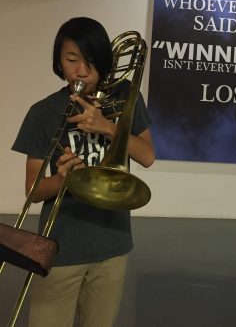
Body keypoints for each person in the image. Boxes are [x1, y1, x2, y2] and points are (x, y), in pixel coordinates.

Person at [12, 17, 155, 327]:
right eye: (71, 59)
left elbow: (147, 156)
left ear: (104, 60)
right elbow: (33, 191)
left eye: (91, 61)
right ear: (58, 62)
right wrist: (63, 179)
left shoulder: (125, 96)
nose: (81, 71)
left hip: (113, 246)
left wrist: (107, 126)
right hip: (60, 248)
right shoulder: (43, 113)